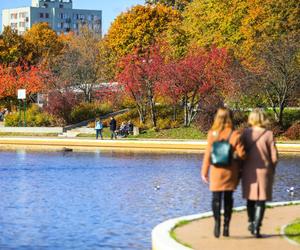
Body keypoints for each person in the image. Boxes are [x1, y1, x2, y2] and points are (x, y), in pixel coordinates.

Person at [201, 107, 245, 238]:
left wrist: (204, 172)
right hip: (230, 172)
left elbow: (208, 154)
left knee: (215, 199)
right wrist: (233, 155)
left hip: (216, 171)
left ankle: (216, 223)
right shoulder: (235, 134)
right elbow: (242, 154)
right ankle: (226, 227)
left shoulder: (212, 134)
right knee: (228, 199)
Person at [241, 109, 278, 238]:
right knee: (261, 199)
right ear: (263, 118)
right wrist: (272, 169)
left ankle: (251, 221)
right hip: (264, 170)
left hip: (248, 170)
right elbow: (274, 156)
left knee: (250, 198)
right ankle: (257, 227)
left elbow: (241, 152)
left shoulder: (245, 134)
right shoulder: (268, 134)